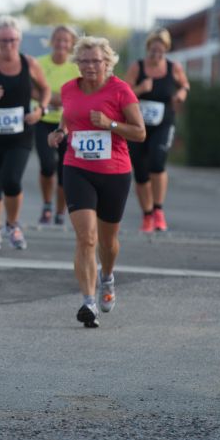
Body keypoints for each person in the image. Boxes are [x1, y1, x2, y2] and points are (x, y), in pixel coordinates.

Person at [48, 37, 146, 327]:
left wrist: (110, 124)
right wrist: (59, 132)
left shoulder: (121, 90)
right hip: (76, 168)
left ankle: (107, 276)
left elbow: (140, 132)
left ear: (107, 63)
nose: (90, 66)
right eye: (85, 61)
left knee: (107, 242)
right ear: (77, 63)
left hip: (114, 172)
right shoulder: (69, 89)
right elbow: (69, 117)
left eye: (96, 61)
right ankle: (88, 301)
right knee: (86, 237)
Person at [0, 15, 50, 250]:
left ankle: (13, 225)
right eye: (3, 40)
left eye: (12, 39)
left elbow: (44, 88)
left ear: (19, 39)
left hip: (20, 134)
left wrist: (41, 110)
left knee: (12, 181)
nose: (8, 44)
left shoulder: (30, 63)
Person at [124, 27, 190, 232]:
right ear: (147, 50)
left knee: (157, 162)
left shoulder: (174, 68)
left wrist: (181, 94)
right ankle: (147, 215)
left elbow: (185, 85)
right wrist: (140, 89)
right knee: (141, 172)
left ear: (166, 51)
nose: (156, 55)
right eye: (153, 51)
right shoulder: (137, 67)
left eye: (161, 52)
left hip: (164, 121)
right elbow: (123, 94)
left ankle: (158, 210)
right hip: (138, 124)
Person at [34, 25, 81, 226]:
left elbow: (80, 93)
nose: (61, 44)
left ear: (71, 44)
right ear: (51, 41)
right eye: (58, 39)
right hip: (43, 121)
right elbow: (31, 89)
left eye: (66, 40)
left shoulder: (76, 66)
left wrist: (56, 98)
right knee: (47, 165)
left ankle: (61, 212)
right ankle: (46, 205)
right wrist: (51, 99)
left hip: (69, 123)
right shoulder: (39, 63)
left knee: (65, 170)